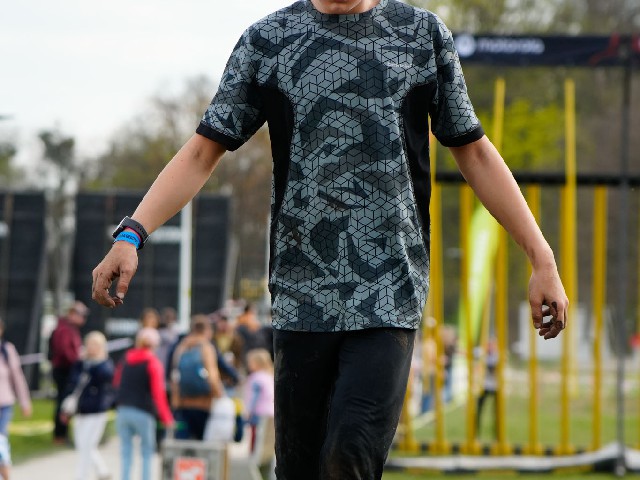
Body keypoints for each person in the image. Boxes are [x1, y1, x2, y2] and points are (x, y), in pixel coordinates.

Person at [91, 1, 569, 478]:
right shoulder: (268, 41)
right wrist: (132, 234)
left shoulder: (421, 35)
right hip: (302, 297)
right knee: (298, 469)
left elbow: (474, 152)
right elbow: (202, 151)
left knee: (349, 457)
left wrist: (542, 258)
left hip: (388, 293)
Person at [114, 328, 173, 480]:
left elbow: (116, 382)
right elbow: (158, 394)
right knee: (147, 452)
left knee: (126, 452)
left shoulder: (126, 359)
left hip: (123, 409)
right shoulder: (153, 362)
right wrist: (166, 418)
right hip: (143, 412)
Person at [61, 331, 114, 480]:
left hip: (96, 411)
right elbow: (73, 383)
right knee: (82, 445)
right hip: (80, 409)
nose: (92, 348)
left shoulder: (105, 365)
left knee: (87, 446)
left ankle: (82, 476)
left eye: (95, 345)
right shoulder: (81, 364)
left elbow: (105, 379)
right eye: (90, 344)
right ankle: (102, 470)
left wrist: (91, 366)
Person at [170, 315, 224, 440]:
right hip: (203, 403)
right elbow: (212, 375)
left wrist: (175, 401)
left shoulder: (181, 347)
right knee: (201, 444)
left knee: (182, 443)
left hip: (183, 403)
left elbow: (175, 375)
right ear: (207, 330)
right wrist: (220, 395)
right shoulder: (206, 347)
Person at [49, 301, 87, 443]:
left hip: (67, 369)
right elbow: (65, 352)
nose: (83, 318)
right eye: (81, 315)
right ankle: (60, 435)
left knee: (66, 402)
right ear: (72, 314)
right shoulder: (64, 329)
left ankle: (63, 433)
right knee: (63, 402)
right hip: (64, 370)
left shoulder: (70, 329)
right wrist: (77, 360)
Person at [0, 319, 32, 480]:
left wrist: (24, 402)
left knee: (0, 441)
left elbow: (17, 377)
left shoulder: (7, 350)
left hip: (4, 403)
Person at [243, 348, 275, 453]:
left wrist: (249, 411)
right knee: (267, 436)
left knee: (255, 434)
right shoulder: (269, 376)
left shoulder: (256, 378)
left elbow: (255, 397)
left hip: (258, 411)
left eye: (250, 362)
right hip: (270, 411)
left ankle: (254, 453)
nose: (248, 365)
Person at [476, 337, 499, 440]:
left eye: (491, 345)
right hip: (484, 386)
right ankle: (476, 434)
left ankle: (497, 434)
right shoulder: (482, 354)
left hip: (495, 386)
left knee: (497, 413)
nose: (490, 347)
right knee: (479, 411)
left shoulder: (497, 355)